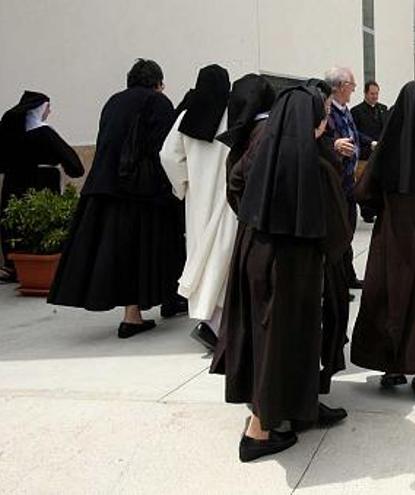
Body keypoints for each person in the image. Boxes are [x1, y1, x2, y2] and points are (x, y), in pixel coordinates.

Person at [210, 82, 349, 463]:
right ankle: (258, 432)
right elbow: (339, 227)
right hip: (294, 267)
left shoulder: (260, 149)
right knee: (279, 342)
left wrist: (257, 218)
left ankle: (300, 407)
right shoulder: (314, 163)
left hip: (256, 253)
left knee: (282, 339)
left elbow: (236, 184)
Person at [48, 59, 185, 338]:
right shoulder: (158, 102)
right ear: (158, 83)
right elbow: (165, 149)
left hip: (103, 189)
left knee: (120, 255)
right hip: (139, 193)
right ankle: (141, 313)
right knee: (146, 252)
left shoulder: (113, 102)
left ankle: (134, 313)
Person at [351, 80, 415, 400]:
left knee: (387, 296)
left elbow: (364, 192)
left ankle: (390, 365)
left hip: (390, 236)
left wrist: (377, 211)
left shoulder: (387, 147)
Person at [160, 64, 233, 352]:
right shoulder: (234, 116)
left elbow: (167, 155)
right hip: (228, 200)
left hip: (198, 200)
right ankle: (218, 325)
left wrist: (182, 185)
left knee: (202, 257)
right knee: (223, 260)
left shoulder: (185, 118)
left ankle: (211, 321)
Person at [0, 91, 84, 282]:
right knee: (43, 224)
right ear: (40, 110)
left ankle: (14, 267)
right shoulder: (44, 133)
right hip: (43, 182)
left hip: (14, 183)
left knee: (16, 224)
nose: (49, 112)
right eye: (47, 108)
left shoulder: (11, 134)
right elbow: (74, 165)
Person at [324, 67, 370, 289]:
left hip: (348, 181)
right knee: (339, 233)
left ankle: (347, 277)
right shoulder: (325, 111)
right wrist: (334, 145)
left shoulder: (344, 109)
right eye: (352, 85)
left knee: (348, 230)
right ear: (342, 86)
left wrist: (368, 143)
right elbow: (317, 139)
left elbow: (352, 135)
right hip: (335, 184)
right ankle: (338, 282)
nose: (354, 89)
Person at [351, 80, 388, 223]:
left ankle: (379, 209)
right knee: (364, 183)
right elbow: (355, 132)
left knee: (378, 184)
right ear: (365, 93)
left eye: (377, 93)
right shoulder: (356, 111)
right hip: (365, 155)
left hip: (380, 155)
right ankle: (367, 212)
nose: (375, 96)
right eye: (372, 93)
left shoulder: (383, 109)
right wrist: (370, 142)